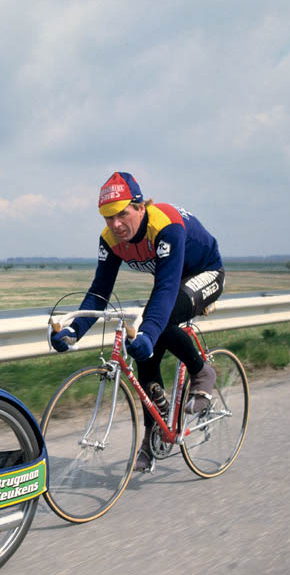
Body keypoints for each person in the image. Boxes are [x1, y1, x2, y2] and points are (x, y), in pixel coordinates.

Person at [51, 171, 224, 472]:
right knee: (142, 345)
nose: (115, 225)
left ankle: (202, 371)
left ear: (140, 207)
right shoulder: (110, 240)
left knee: (158, 323)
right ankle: (154, 433)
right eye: (107, 218)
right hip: (173, 278)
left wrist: (148, 330)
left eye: (121, 215)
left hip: (205, 272)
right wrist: (72, 331)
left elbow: (167, 289)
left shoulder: (165, 225)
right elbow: (99, 292)